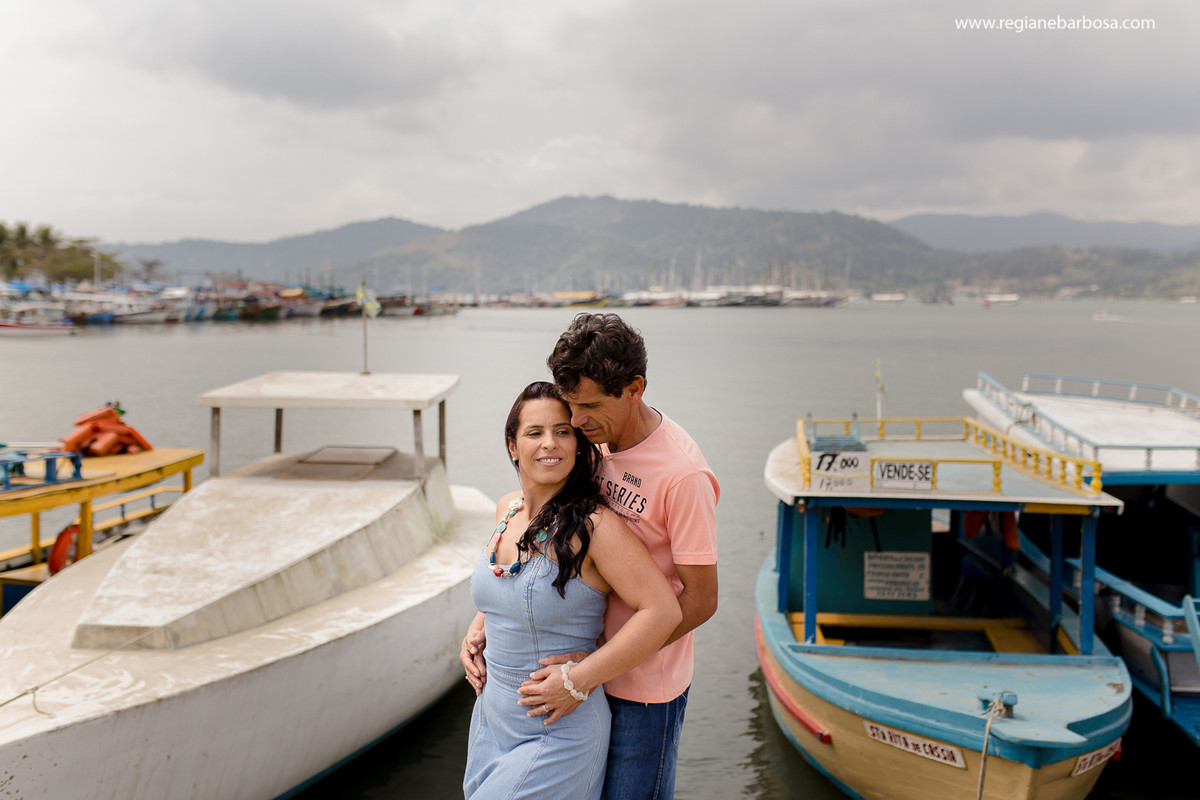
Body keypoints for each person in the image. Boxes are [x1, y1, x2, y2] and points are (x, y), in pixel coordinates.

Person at [463, 313, 719, 800]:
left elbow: (702, 600)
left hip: (644, 688)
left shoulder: (682, 475)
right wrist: (486, 622)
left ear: (634, 388)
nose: (575, 425)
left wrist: (593, 668)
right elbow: (535, 556)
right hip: (572, 672)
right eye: (571, 409)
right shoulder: (593, 444)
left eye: (587, 409)